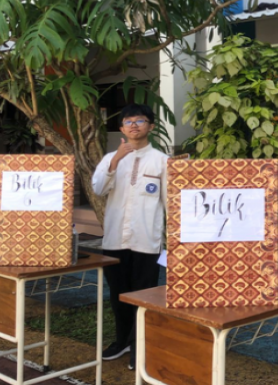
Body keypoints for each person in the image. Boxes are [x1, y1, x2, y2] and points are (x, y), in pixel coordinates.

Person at [92, 103, 169, 370]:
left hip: (147, 242)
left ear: (151, 126)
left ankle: (141, 347)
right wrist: (115, 161)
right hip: (115, 240)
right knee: (118, 294)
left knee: (144, 296)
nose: (133, 125)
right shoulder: (110, 158)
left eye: (140, 120)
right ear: (121, 128)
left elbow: (171, 203)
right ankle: (122, 341)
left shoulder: (162, 161)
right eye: (128, 121)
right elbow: (98, 189)